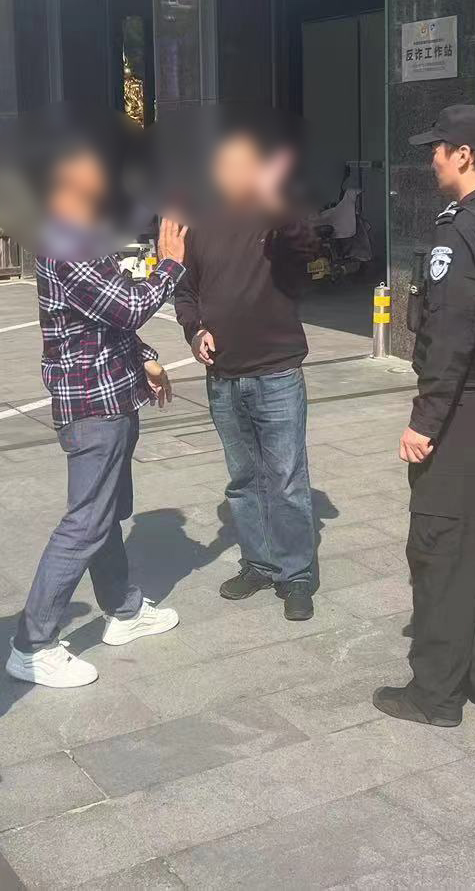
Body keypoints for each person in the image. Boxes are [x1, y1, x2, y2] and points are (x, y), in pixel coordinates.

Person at [374, 105, 475, 728]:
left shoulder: (460, 230)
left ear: (464, 155)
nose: (431, 160)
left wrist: (424, 421)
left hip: (465, 414)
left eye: (437, 149)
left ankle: (435, 695)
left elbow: (450, 336)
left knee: (441, 550)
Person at [6, 138, 188, 688]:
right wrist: (171, 265)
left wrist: (145, 357)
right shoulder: (67, 243)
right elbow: (127, 306)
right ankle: (32, 644)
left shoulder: (83, 238)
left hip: (110, 396)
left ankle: (123, 610)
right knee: (85, 521)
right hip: (93, 407)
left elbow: (106, 321)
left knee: (103, 514)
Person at [174, 130, 321, 621]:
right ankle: (259, 563)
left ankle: (296, 575)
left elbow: (308, 248)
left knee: (287, 480)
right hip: (223, 376)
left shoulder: (277, 219)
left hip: (276, 373)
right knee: (243, 480)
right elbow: (185, 291)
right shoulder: (200, 223)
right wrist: (195, 331)